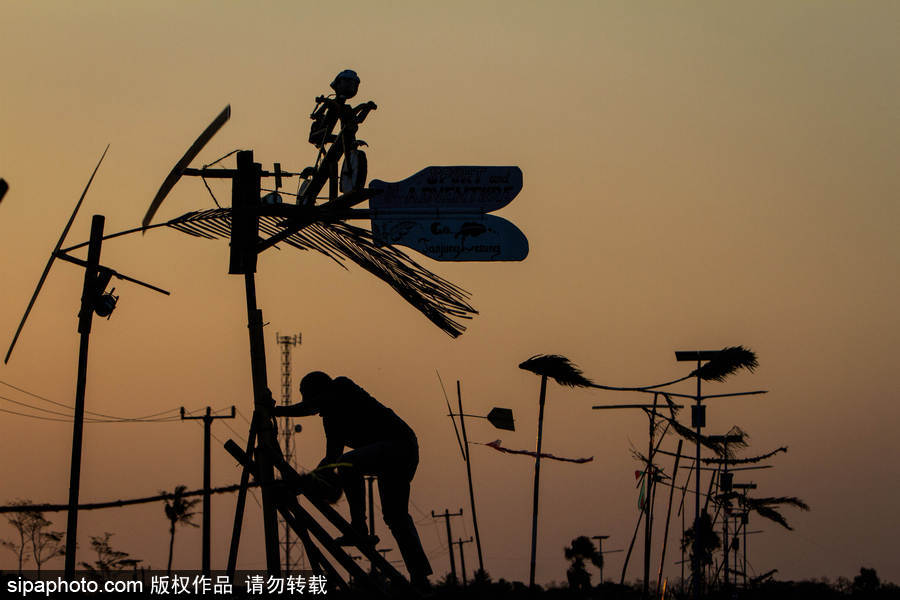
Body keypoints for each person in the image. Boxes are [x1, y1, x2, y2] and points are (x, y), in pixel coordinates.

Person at [273, 371, 432, 587]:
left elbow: (310, 408)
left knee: (349, 464)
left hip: (400, 446)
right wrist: (302, 485)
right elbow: (330, 461)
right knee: (395, 517)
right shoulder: (331, 422)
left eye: (310, 398)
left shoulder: (342, 386)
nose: (311, 406)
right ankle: (420, 576)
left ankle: (359, 526)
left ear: (318, 392)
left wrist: (275, 411)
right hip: (393, 457)